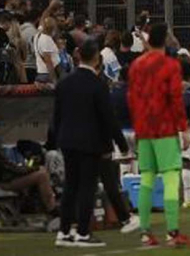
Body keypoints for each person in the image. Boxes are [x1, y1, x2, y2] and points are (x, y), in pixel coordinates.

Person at [52, 40, 128, 248]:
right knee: (87, 187)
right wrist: (121, 143)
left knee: (70, 187)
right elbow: (108, 118)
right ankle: (83, 232)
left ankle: (64, 231)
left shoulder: (65, 82)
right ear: (96, 58)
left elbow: (57, 116)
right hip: (89, 142)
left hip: (67, 141)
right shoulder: (97, 84)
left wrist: (56, 139)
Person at [127, 23, 190, 247]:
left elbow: (132, 99)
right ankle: (172, 232)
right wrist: (183, 128)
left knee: (146, 178)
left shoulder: (136, 66)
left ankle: (145, 232)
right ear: (164, 40)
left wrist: (137, 126)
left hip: (144, 129)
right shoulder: (170, 65)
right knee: (171, 177)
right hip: (165, 128)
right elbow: (175, 99)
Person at [0, 113, 57, 220]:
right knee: (42, 174)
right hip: (3, 182)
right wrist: (29, 169)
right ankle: (52, 209)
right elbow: (8, 168)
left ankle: (42, 205)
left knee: (37, 172)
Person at [33, 16, 61, 83]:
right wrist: (54, 79)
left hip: (42, 72)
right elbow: (48, 61)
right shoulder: (46, 39)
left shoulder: (37, 35)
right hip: (48, 74)